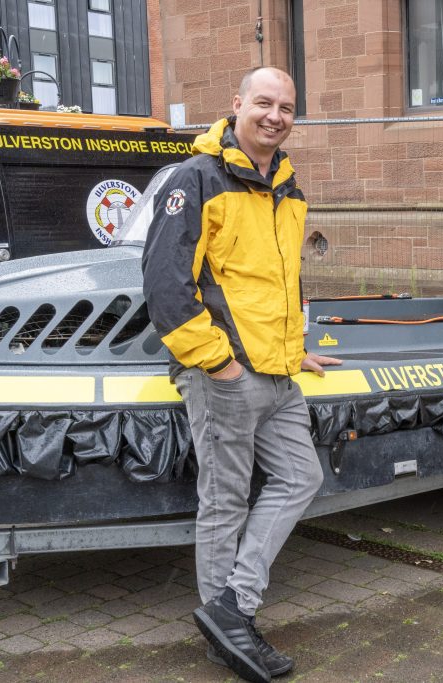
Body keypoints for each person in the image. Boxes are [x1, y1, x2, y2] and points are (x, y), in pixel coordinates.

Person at [142, 67, 340, 682]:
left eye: (286, 107)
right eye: (264, 103)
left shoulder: (289, 189)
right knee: (224, 502)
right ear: (236, 105)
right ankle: (226, 634)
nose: (275, 116)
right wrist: (218, 363)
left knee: (301, 477)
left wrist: (294, 349)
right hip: (224, 372)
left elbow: (280, 283)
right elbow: (165, 284)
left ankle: (231, 607)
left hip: (277, 371)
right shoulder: (196, 179)